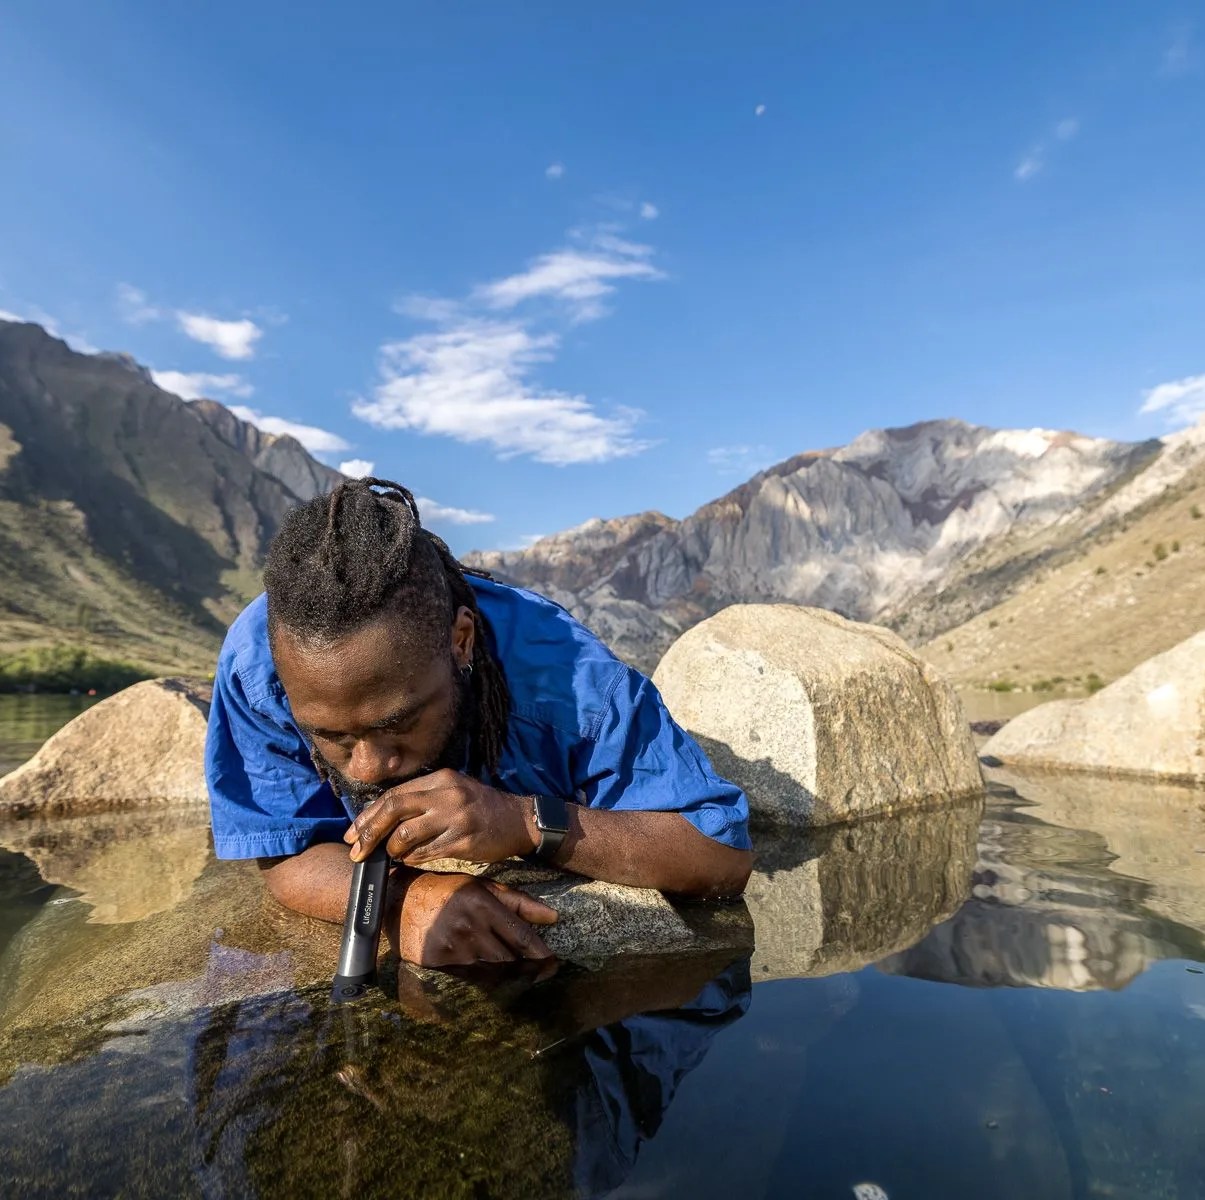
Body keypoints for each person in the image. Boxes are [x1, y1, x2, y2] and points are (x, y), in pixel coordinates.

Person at [205, 478, 753, 967]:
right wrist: (403, 900)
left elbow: (720, 856)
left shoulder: (573, 684)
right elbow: (286, 846)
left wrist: (523, 821)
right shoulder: (259, 665)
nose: (369, 767)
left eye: (398, 722)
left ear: (460, 640)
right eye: (333, 737)